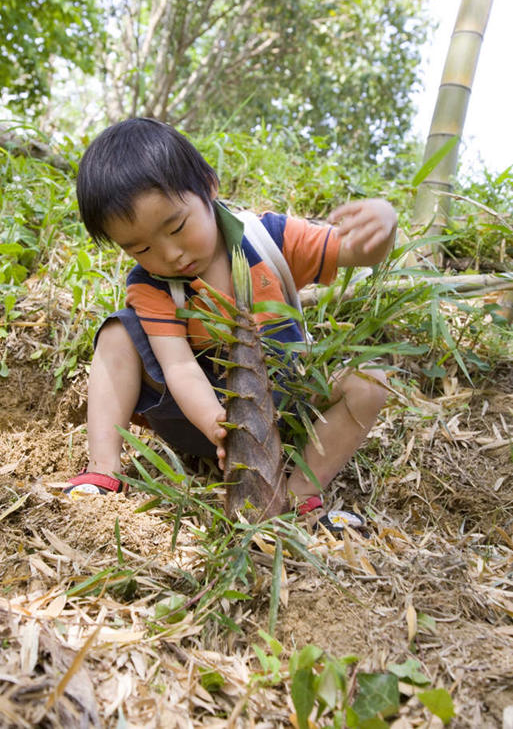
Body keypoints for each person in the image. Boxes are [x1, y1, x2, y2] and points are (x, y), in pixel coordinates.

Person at [66, 117, 397, 530]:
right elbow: (179, 366)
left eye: (177, 227)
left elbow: (357, 251)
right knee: (118, 334)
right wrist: (217, 423)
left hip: (286, 410)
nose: (170, 255)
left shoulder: (268, 238)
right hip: (201, 420)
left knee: (369, 382)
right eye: (142, 248)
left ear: (209, 186)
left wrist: (383, 221)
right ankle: (102, 470)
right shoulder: (151, 285)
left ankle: (299, 496)